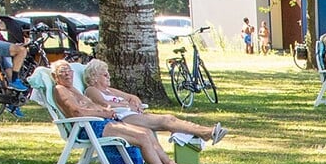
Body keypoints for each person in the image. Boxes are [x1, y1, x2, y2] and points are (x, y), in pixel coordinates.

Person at [47, 62, 195, 164]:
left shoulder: (74, 89)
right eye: (62, 72)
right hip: (90, 126)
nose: (67, 74)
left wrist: (105, 110)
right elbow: (76, 111)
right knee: (142, 137)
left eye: (69, 70)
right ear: (55, 76)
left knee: (147, 132)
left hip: (100, 122)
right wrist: (103, 112)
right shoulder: (61, 89)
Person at [82, 60, 227, 145]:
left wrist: (134, 103)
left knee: (169, 118)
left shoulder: (110, 90)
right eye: (104, 74)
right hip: (122, 118)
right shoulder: (92, 90)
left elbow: (133, 97)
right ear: (94, 77)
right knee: (166, 119)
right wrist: (126, 105)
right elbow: (103, 105)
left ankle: (206, 132)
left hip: (131, 113)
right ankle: (207, 132)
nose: (109, 76)